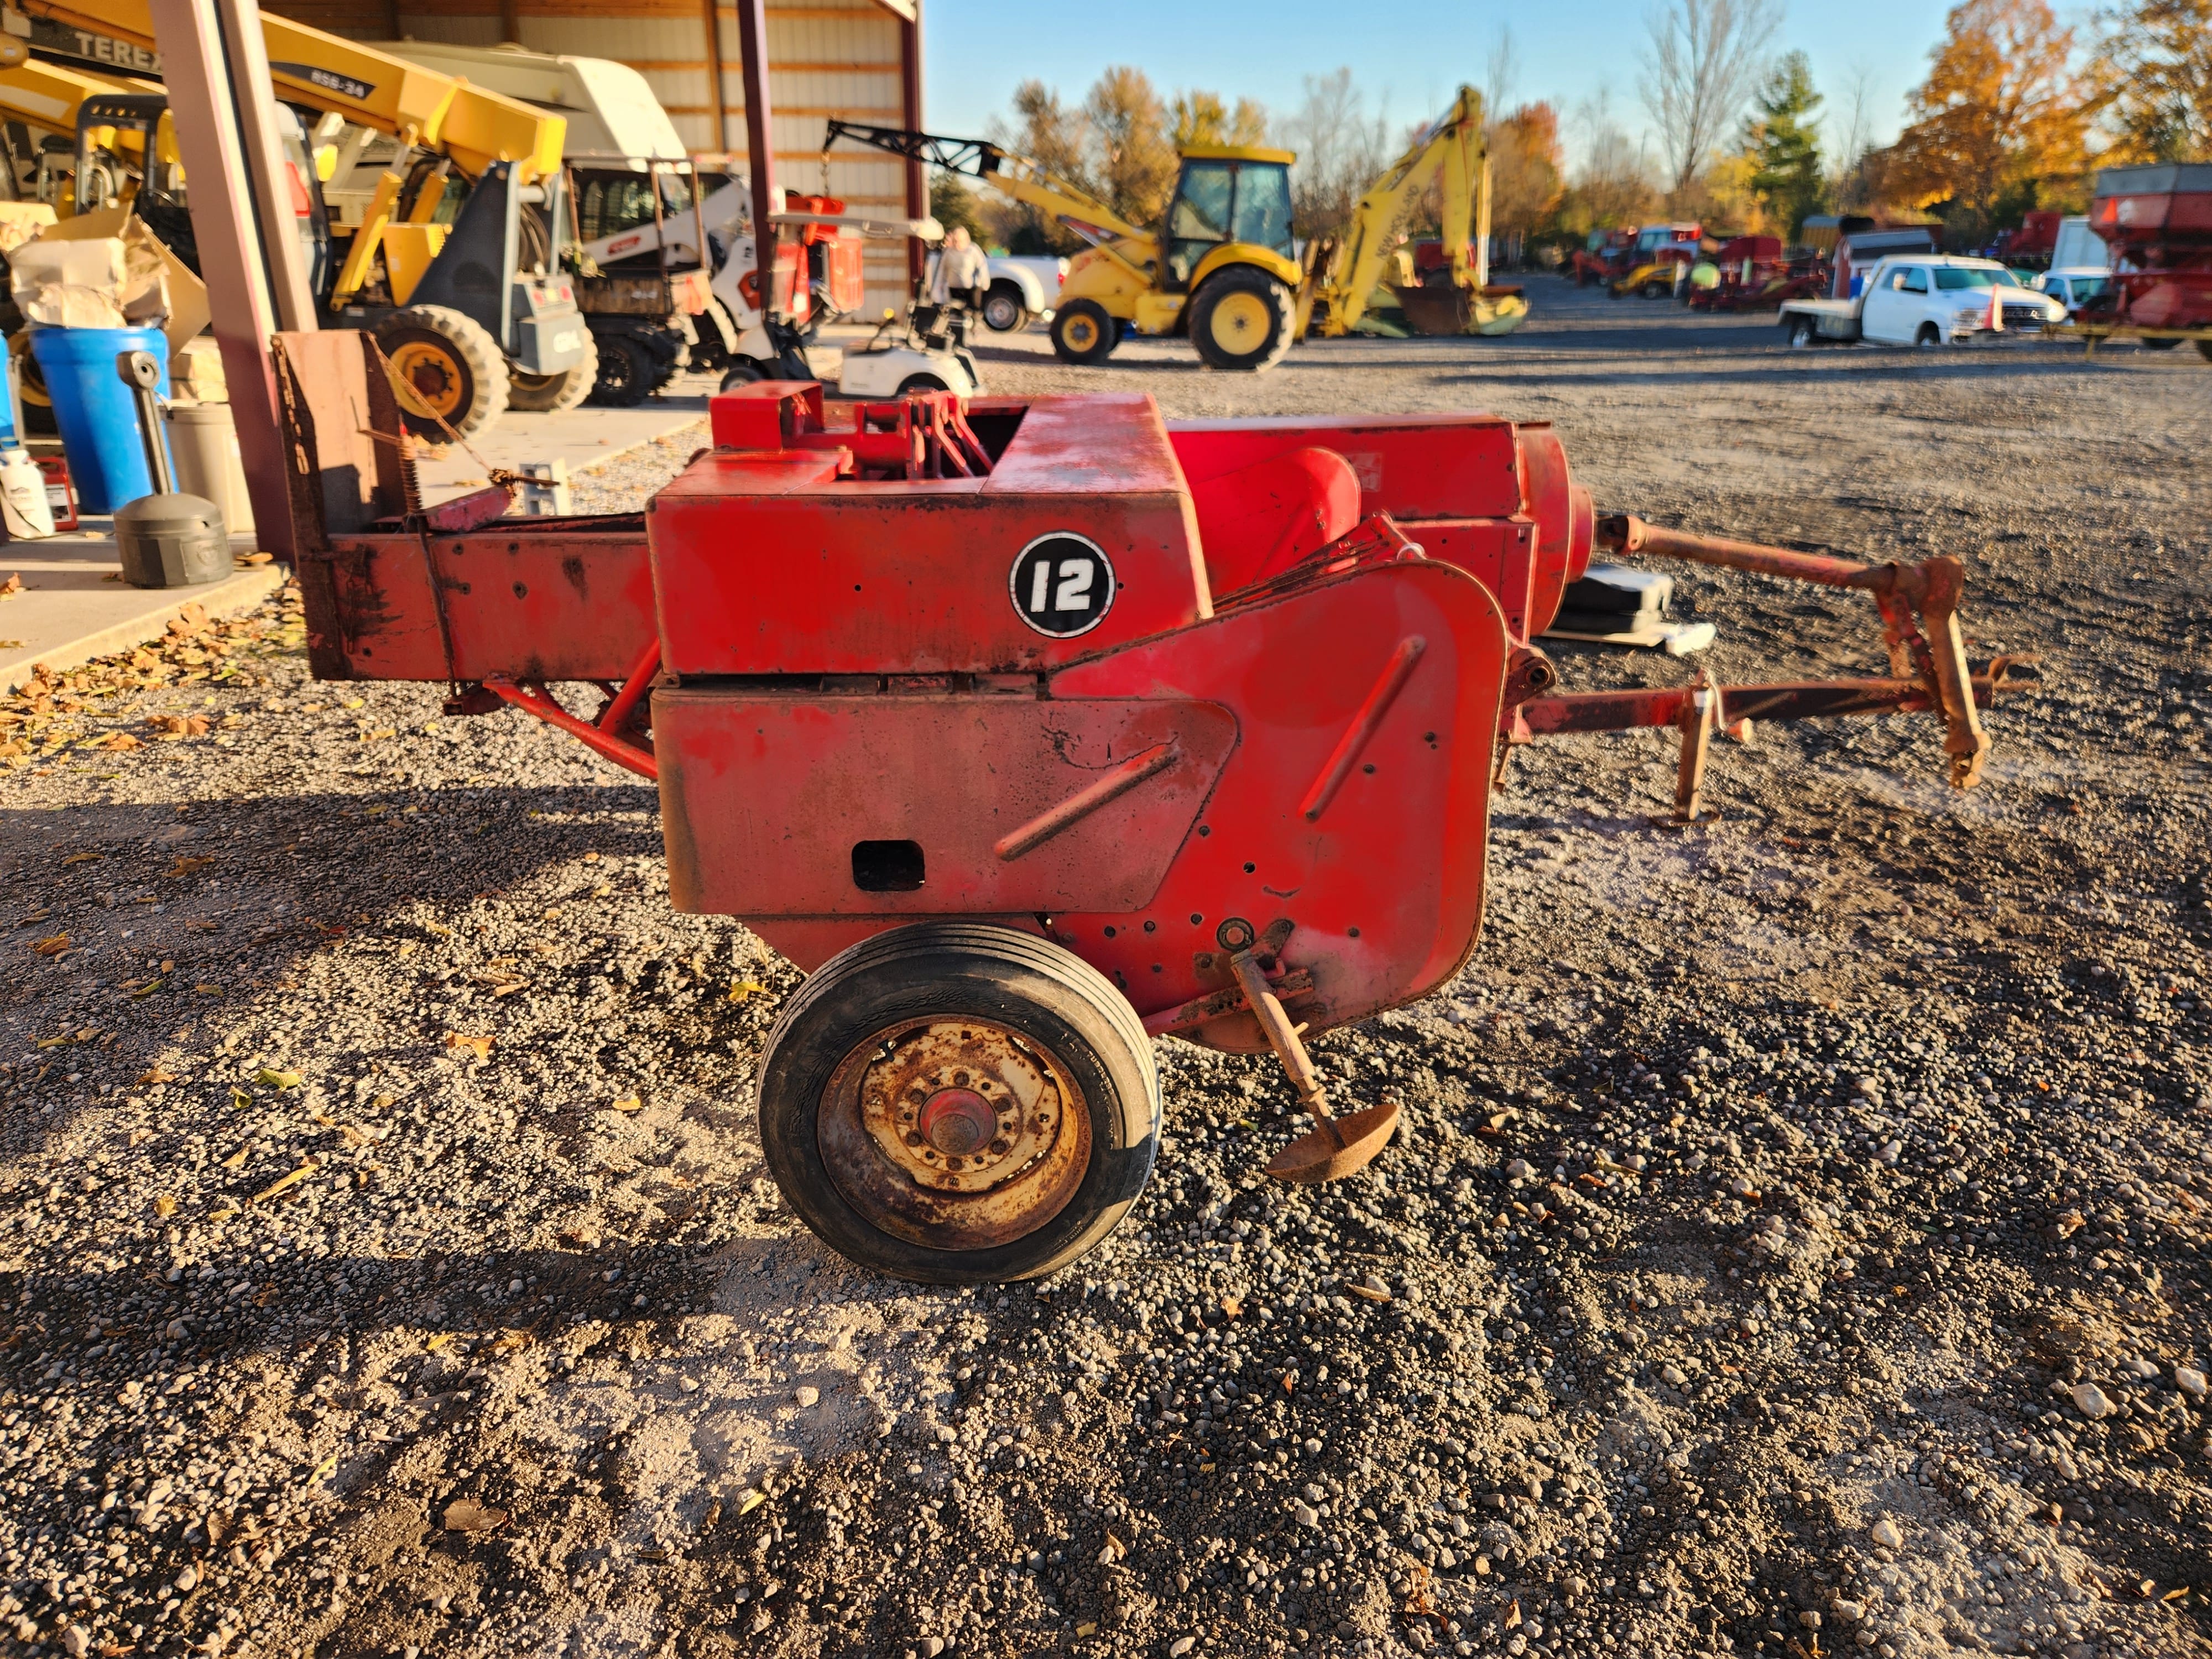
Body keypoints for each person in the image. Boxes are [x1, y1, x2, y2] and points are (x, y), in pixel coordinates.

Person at [930, 224, 990, 311]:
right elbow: (941, 272)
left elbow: (982, 268)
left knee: (970, 314)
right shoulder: (948, 253)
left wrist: (982, 284)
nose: (958, 244)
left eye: (960, 241)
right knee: (955, 314)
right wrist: (936, 294)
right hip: (954, 290)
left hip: (971, 290)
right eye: (955, 241)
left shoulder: (973, 250)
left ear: (967, 239)